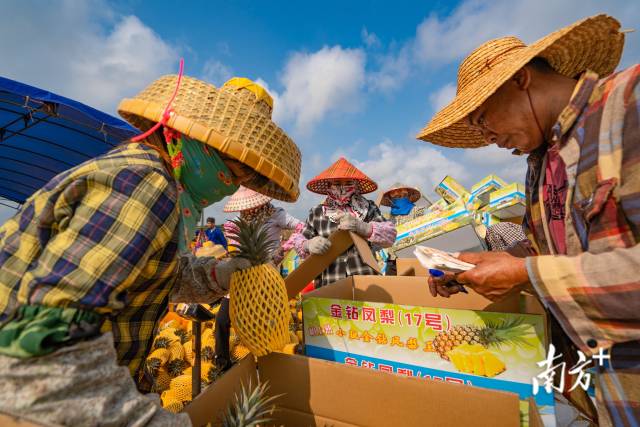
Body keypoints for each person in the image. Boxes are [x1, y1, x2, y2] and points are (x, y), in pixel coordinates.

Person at [0, 75, 301, 425]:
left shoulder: (145, 176)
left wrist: (217, 275)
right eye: (231, 171)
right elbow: (49, 337)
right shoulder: (147, 183)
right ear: (192, 140)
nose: (230, 186)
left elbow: (145, 273)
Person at [417, 14, 638, 425]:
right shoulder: (539, 162)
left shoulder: (628, 106)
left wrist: (526, 273)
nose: (487, 138)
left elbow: (540, 267)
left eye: (482, 119)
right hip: (608, 396)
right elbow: (547, 248)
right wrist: (470, 266)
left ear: (521, 80)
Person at [214, 186, 302, 370]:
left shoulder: (276, 214)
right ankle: (222, 364)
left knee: (266, 322)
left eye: (248, 206)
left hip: (266, 278)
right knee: (223, 319)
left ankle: (270, 364)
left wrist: (283, 251)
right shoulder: (237, 221)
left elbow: (303, 228)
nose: (245, 209)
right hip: (241, 276)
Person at [292, 157, 396, 288]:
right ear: (329, 186)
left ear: (355, 185)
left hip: (367, 282)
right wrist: (307, 244)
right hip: (329, 283)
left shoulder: (368, 208)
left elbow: (390, 236)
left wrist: (362, 227)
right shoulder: (317, 212)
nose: (342, 187)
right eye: (336, 183)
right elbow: (299, 239)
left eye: (347, 182)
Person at [379, 183, 423, 275]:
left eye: (403, 195)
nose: (399, 198)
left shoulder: (418, 211)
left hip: (414, 257)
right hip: (393, 259)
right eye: (395, 197)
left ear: (408, 195)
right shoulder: (387, 218)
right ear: (390, 200)